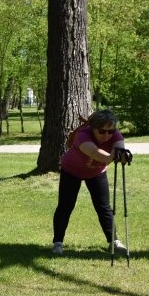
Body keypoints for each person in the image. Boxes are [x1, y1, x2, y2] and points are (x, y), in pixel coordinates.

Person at [52, 109, 132, 256]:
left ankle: (114, 241)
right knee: (65, 206)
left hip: (96, 173)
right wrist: (112, 157)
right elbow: (96, 154)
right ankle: (58, 243)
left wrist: (122, 155)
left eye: (110, 131)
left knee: (104, 208)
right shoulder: (83, 136)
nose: (106, 135)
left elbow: (119, 147)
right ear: (93, 128)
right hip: (71, 171)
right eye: (101, 131)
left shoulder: (115, 135)